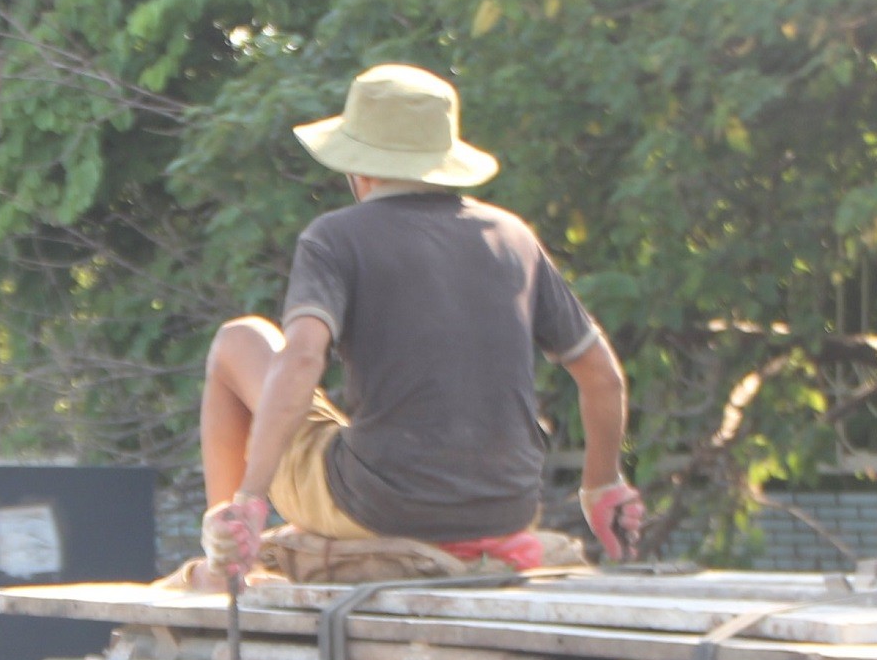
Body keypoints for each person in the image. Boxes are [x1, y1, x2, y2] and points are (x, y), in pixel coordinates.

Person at [196, 64, 645, 581]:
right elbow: (602, 375)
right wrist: (602, 486)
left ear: (358, 172)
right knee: (349, 426)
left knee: (240, 341)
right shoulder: (512, 237)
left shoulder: (335, 237)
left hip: (378, 507)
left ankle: (225, 545)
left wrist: (253, 498)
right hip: (507, 511)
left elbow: (300, 358)